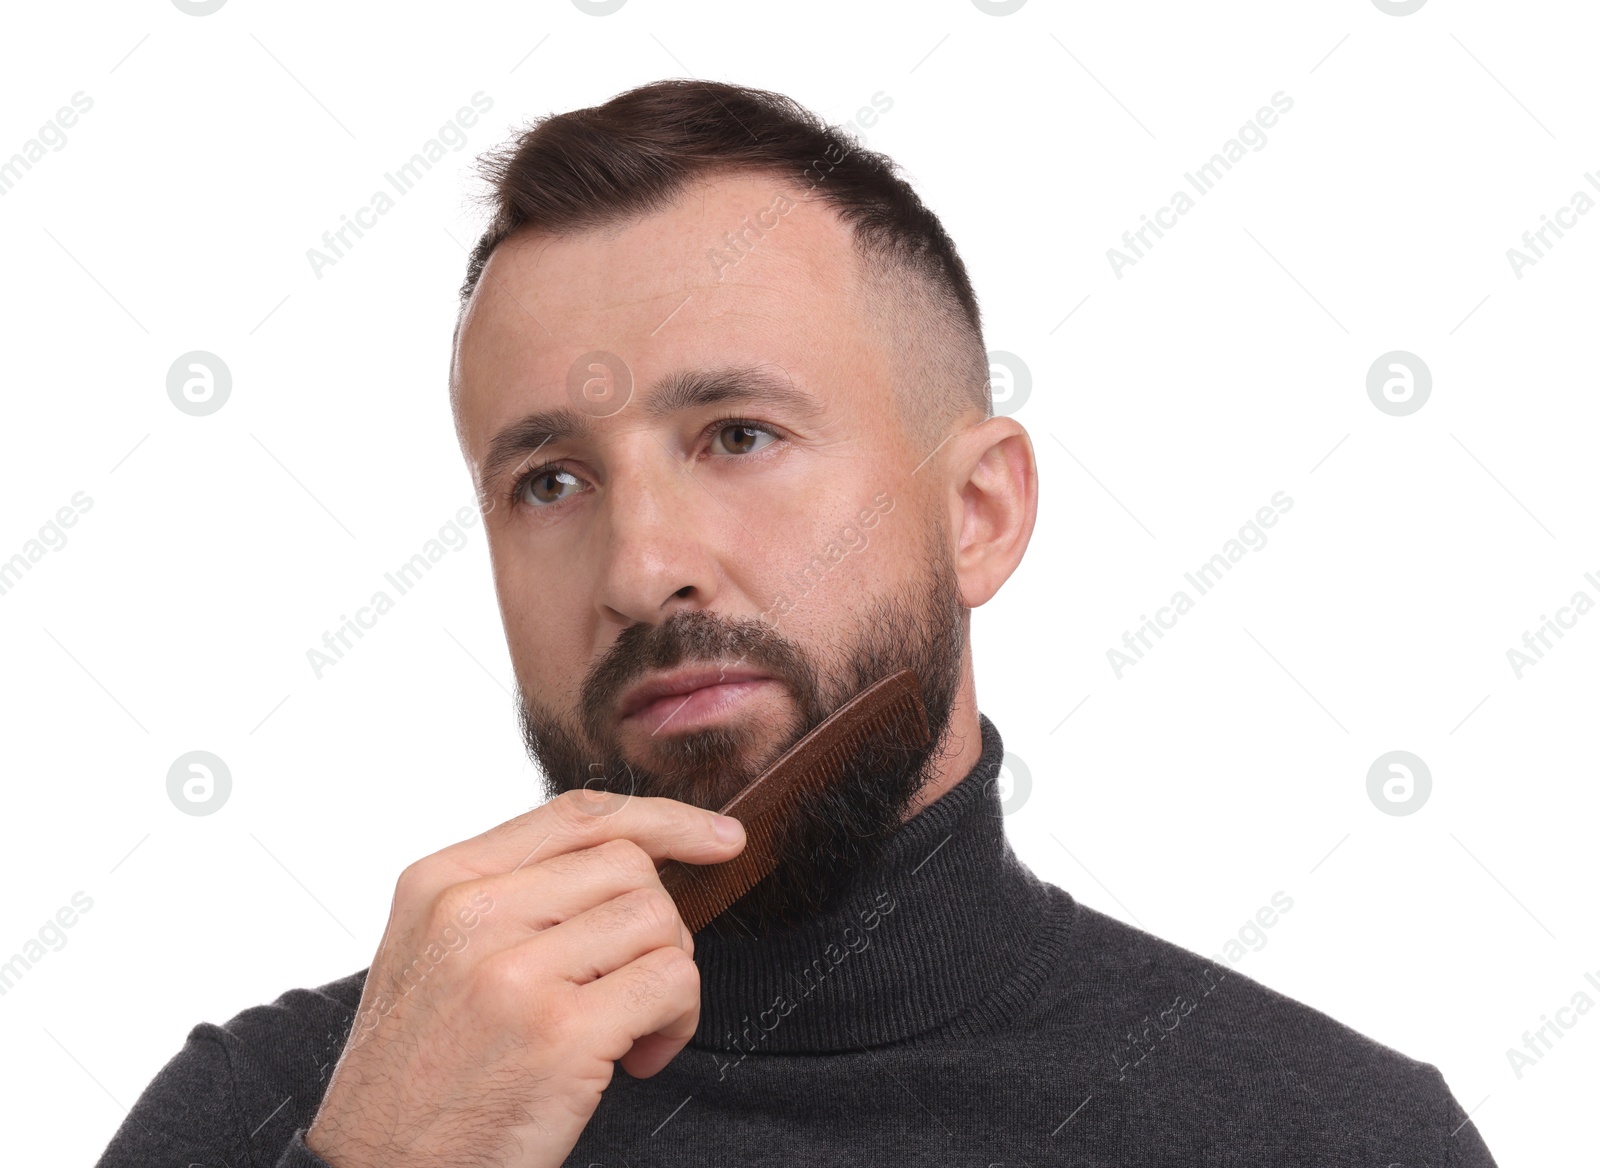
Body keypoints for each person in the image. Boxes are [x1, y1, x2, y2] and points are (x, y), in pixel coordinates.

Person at [95, 79, 1496, 1167]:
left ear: (982, 514)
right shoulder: (278, 1113)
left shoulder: (1333, 1134)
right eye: (551, 480)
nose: (642, 570)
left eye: (739, 435)